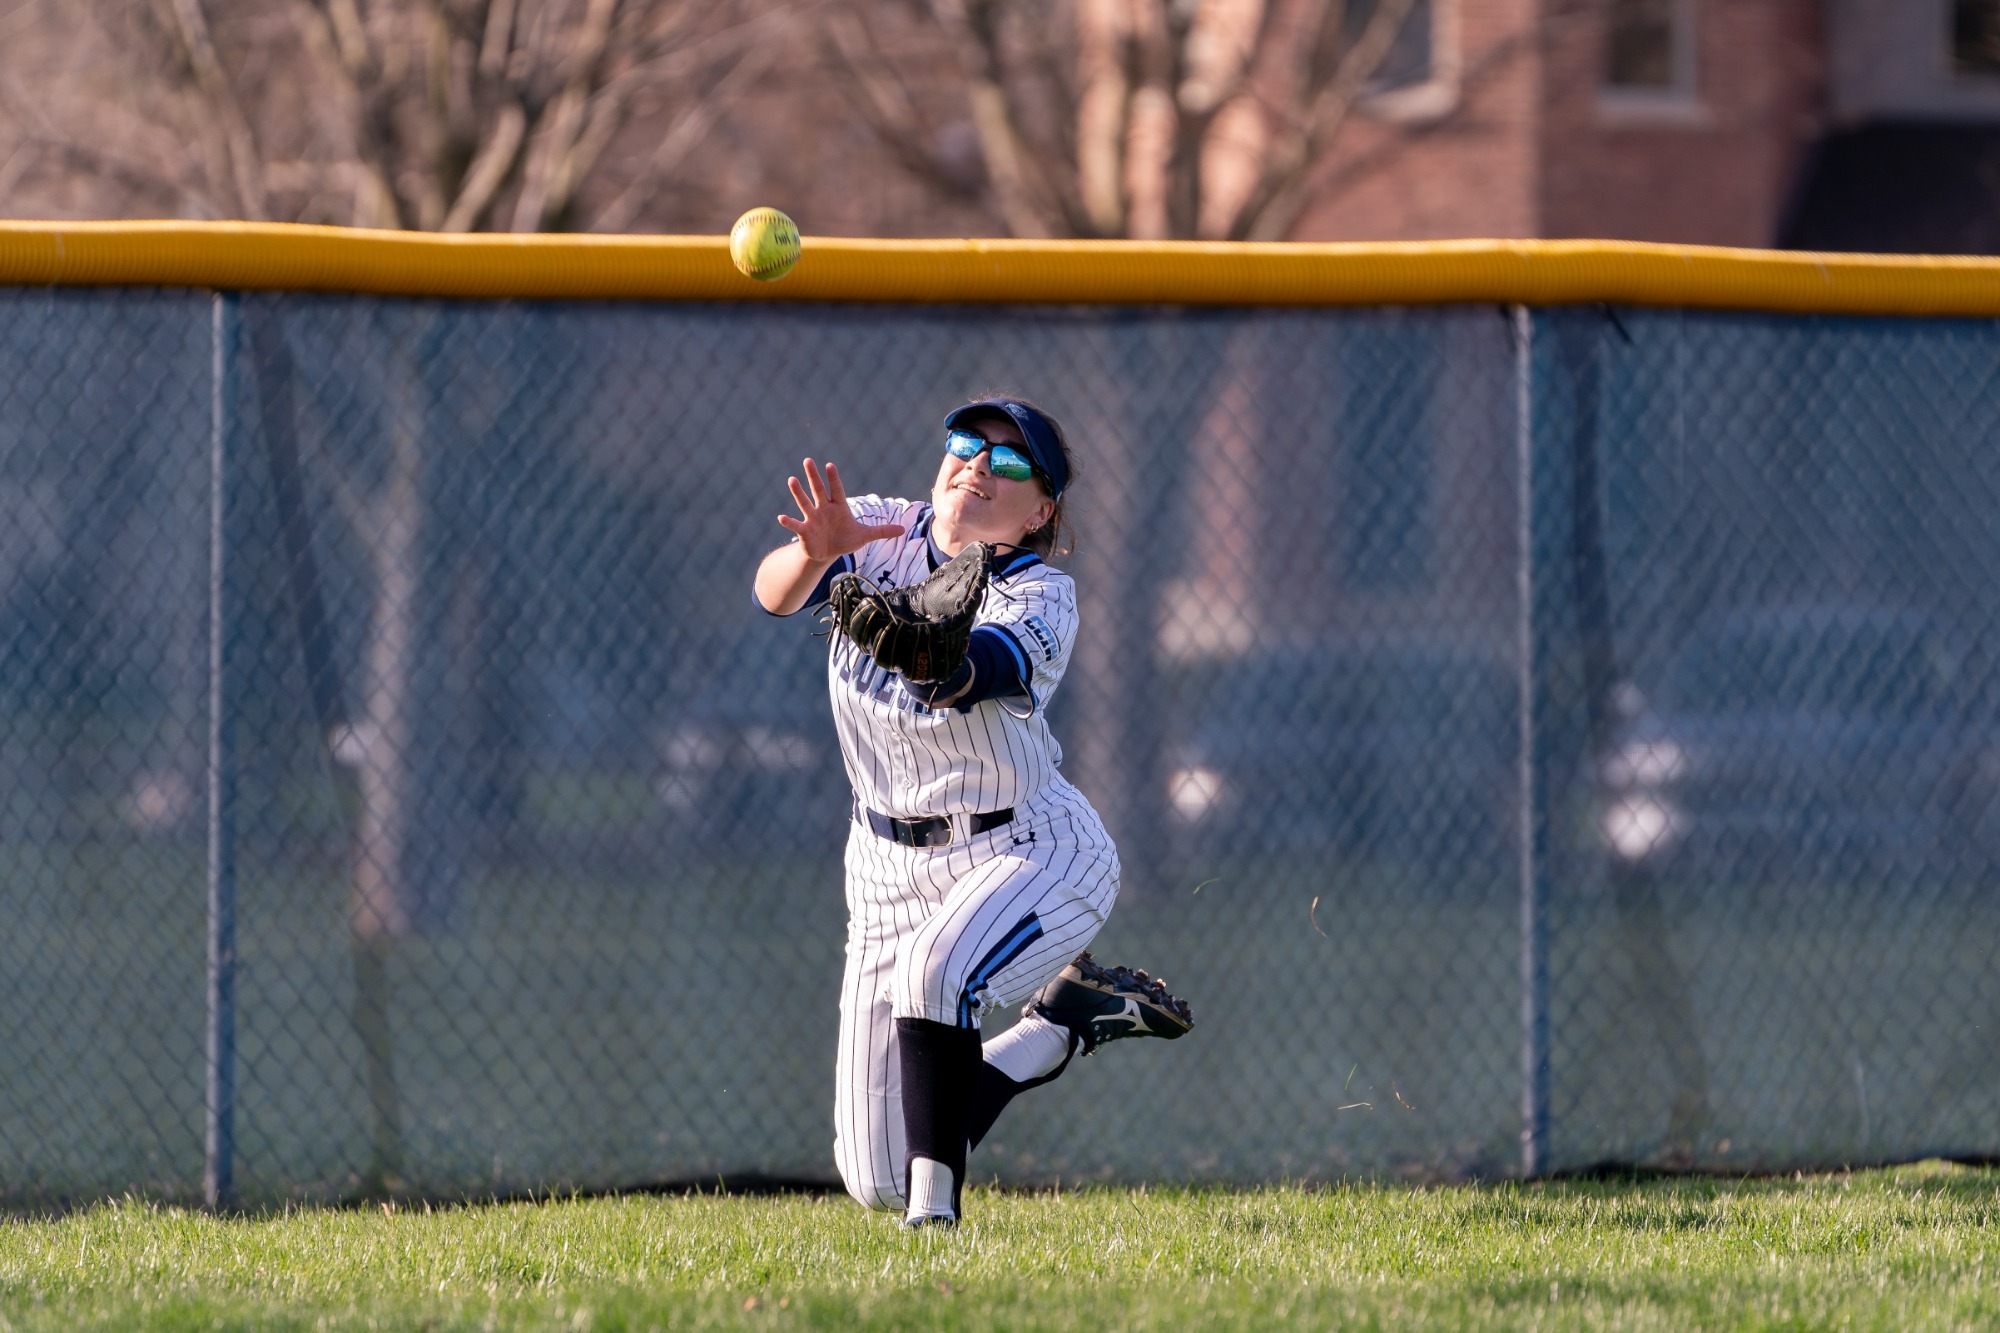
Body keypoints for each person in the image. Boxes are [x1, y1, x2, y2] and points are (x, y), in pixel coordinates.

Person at [752, 395, 1192, 1227]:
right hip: (884, 869)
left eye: (1012, 461)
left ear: (1042, 512)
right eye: (966, 444)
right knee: (873, 1172)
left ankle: (936, 1224)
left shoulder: (1042, 591)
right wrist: (812, 557)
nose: (979, 465)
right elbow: (773, 596)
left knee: (938, 971)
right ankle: (1057, 1026)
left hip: (1028, 850)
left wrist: (932, 651)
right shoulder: (883, 528)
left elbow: (971, 674)